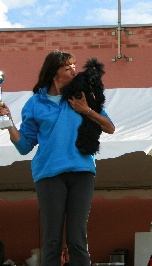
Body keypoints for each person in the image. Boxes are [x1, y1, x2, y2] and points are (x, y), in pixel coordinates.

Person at [0, 50, 115, 265]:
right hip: (49, 174)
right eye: (68, 67)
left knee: (77, 239)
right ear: (55, 73)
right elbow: (24, 146)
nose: (74, 70)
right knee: (52, 240)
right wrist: (9, 123)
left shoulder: (83, 95)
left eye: (74, 66)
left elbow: (110, 127)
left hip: (82, 172)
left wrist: (86, 110)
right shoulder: (34, 104)